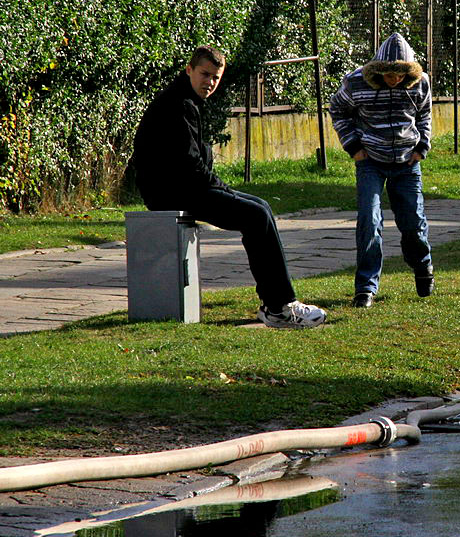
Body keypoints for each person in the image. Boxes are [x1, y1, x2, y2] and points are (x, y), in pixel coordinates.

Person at [133, 45, 326, 329]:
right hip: (172, 192)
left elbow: (195, 164)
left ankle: (276, 303)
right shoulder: (178, 105)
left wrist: (221, 189)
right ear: (189, 70)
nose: (209, 82)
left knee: (260, 208)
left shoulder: (187, 100)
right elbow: (189, 164)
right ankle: (279, 308)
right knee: (255, 216)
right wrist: (222, 189)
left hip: (182, 187)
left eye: (215, 77)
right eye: (204, 74)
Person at [330, 33, 434, 308]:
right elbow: (337, 110)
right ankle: (365, 288)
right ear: (378, 70)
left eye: (400, 74)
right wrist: (353, 146)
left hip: (406, 162)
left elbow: (424, 115)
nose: (394, 79)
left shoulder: (420, 83)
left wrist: (421, 147)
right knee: (369, 219)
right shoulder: (355, 83)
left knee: (412, 221)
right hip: (370, 161)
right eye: (389, 74)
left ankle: (422, 266)